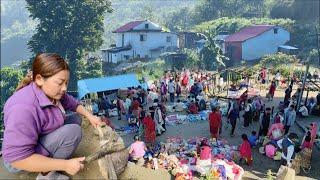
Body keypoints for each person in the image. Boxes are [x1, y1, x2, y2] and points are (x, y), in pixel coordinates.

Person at [2, 53, 105, 179]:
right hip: (20, 158)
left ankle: (49, 161)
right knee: (73, 132)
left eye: (66, 83)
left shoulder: (50, 92)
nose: (64, 88)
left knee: (76, 118)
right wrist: (65, 165)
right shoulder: (23, 108)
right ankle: (47, 175)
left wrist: (90, 116)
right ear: (39, 79)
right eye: (60, 83)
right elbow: (17, 158)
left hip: (38, 137)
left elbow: (72, 103)